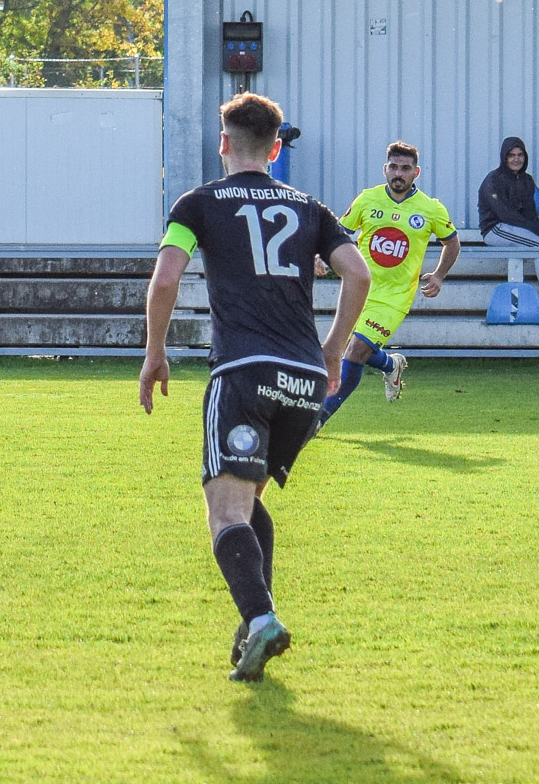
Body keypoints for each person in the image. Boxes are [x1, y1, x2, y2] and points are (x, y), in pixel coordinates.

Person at [139, 92, 370, 682]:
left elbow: (165, 280)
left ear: (223, 143)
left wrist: (155, 351)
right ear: (274, 150)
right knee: (249, 501)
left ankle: (261, 619)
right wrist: (333, 352)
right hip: (305, 380)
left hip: (244, 371)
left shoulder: (196, 204)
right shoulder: (309, 207)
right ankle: (252, 626)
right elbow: (358, 273)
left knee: (225, 512)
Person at [316, 141, 459, 427]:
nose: (399, 173)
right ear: (385, 169)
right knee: (351, 347)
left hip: (395, 297)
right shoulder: (367, 200)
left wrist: (439, 275)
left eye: (405, 168)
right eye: (394, 167)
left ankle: (318, 419)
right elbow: (339, 234)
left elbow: (452, 243)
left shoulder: (430, 209)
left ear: (416, 172)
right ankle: (390, 364)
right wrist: (321, 256)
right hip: (359, 290)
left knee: (355, 351)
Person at [479, 136, 539, 313]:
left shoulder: (527, 180)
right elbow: (505, 215)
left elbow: (530, 213)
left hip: (519, 227)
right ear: (504, 157)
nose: (516, 159)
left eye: (520, 155)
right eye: (511, 155)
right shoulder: (493, 179)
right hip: (497, 229)